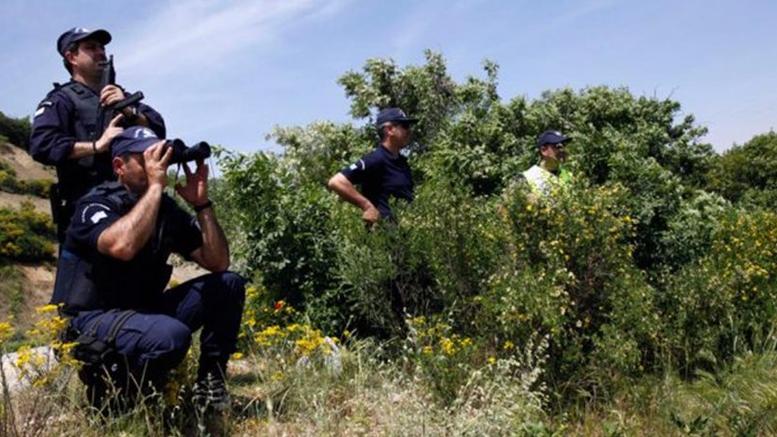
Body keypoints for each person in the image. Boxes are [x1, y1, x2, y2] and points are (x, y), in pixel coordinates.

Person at [52, 126, 245, 410]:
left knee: (228, 284)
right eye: (146, 158)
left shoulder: (164, 210)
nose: (159, 164)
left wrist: (202, 205)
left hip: (142, 312)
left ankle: (210, 387)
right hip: (90, 319)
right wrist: (156, 187)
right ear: (119, 166)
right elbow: (122, 246)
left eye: (161, 156)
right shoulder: (95, 204)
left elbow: (217, 262)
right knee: (170, 335)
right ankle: (122, 399)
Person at [29, 27, 166, 242]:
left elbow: (158, 130)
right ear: (72, 57)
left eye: (102, 47)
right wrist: (96, 146)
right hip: (87, 210)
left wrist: (128, 109)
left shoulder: (122, 96)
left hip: (134, 205)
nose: (100, 52)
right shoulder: (61, 100)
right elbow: (42, 145)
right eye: (91, 48)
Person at [327, 107, 417, 225]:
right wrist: (366, 206)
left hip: (405, 237)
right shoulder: (376, 159)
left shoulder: (402, 162)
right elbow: (336, 181)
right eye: (404, 126)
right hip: (383, 238)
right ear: (389, 130)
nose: (409, 131)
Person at [521, 130, 573, 198]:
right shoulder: (528, 178)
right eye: (558, 146)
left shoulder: (570, 176)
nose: (562, 150)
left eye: (565, 145)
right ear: (543, 150)